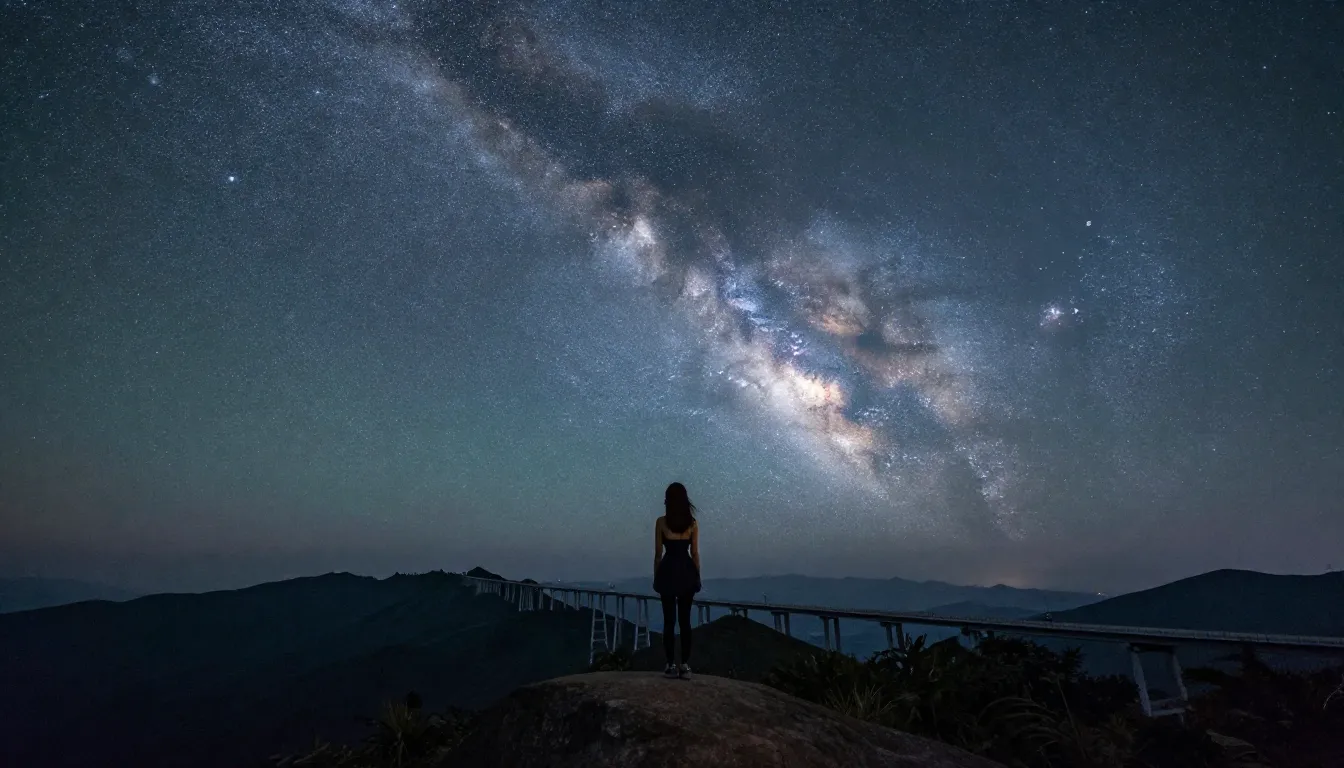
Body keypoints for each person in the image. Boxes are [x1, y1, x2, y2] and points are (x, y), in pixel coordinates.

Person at [653, 481, 701, 679]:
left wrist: (656, 577)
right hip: (687, 572)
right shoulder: (693, 524)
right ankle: (685, 665)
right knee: (685, 621)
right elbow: (695, 553)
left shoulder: (661, 522)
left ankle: (670, 664)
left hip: (668, 571)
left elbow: (657, 553)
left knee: (668, 621)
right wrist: (697, 576)